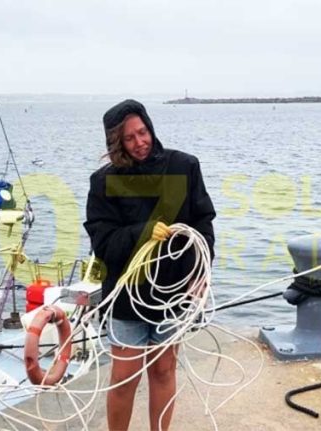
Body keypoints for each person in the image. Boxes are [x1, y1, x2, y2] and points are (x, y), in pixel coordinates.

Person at [84, 99, 216, 431]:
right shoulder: (103, 182)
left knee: (163, 370)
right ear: (116, 142)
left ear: (150, 127)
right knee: (123, 378)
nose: (140, 142)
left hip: (173, 293)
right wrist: (141, 233)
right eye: (130, 138)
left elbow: (203, 224)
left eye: (143, 132)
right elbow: (103, 244)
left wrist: (202, 269)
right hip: (127, 295)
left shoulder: (184, 166)